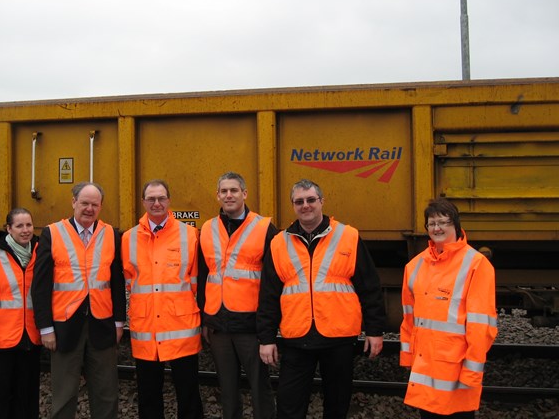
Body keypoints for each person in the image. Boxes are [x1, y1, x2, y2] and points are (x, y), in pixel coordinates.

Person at [257, 178, 386, 419]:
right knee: (289, 405)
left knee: (337, 405)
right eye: (299, 201)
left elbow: (370, 287)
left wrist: (374, 330)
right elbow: (268, 295)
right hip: (297, 337)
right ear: (293, 206)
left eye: (311, 200)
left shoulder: (348, 236)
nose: (305, 205)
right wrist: (266, 338)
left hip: (338, 337)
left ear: (321, 201)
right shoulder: (279, 243)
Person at [32, 182, 126, 419]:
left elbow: (117, 282)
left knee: (106, 393)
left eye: (95, 204)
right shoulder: (52, 233)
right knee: (64, 395)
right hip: (64, 325)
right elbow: (40, 286)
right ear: (73, 202)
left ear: (101, 206)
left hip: (102, 324)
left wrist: (118, 323)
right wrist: (45, 328)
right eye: (84, 203)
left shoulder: (110, 234)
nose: (89, 209)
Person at [400, 198, 498, 418]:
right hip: (425, 368)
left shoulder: (476, 264)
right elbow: (409, 318)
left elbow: (481, 325)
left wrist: (472, 372)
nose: (437, 228)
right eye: (432, 223)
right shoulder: (414, 266)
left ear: (456, 225)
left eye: (443, 222)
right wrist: (407, 357)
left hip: (456, 371)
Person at [122, 179, 203, 419]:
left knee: (188, 393)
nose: (156, 203)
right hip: (146, 329)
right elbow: (130, 282)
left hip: (182, 329)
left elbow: (197, 281)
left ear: (169, 200)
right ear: (143, 202)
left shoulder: (190, 234)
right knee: (148, 395)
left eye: (161, 198)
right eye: (151, 199)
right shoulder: (129, 238)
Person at [197, 172, 276, 419]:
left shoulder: (264, 228)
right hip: (219, 325)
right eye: (224, 191)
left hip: (250, 326)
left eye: (234, 190)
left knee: (259, 386)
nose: (228, 195)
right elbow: (202, 277)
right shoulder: (208, 228)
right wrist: (204, 320)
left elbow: (273, 284)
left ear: (244, 194)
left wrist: (267, 331)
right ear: (218, 195)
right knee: (227, 389)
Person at [0, 207, 41, 419]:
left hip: (30, 338)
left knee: (26, 395)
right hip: (1, 340)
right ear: (8, 229)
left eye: (29, 225)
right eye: (19, 226)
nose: (25, 230)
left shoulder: (40, 253)